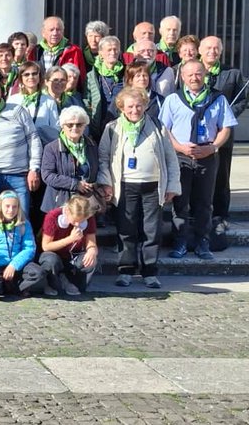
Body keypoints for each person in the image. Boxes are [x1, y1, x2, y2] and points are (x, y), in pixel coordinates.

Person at [97, 87, 180, 287]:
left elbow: (170, 157)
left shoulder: (157, 126)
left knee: (151, 230)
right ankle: (126, 270)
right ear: (121, 108)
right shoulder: (112, 128)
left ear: (145, 106)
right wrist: (106, 182)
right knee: (126, 229)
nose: (135, 110)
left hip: (153, 185)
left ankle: (149, 271)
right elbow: (103, 157)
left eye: (139, 105)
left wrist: (172, 185)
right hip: (126, 185)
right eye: (130, 106)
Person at [161, 60, 236, 260]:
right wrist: (180, 147)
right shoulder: (173, 99)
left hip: (207, 156)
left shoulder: (217, 99)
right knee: (180, 202)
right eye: (190, 74)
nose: (194, 78)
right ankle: (181, 241)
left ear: (205, 75)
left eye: (198, 74)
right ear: (182, 77)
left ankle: (203, 241)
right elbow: (165, 129)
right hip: (181, 157)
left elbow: (226, 127)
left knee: (204, 202)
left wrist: (213, 147)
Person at [0, 75, 41, 222]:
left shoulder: (17, 111)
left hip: (18, 175)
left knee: (22, 218)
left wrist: (34, 169)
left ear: (1, 92)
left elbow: (34, 139)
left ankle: (24, 245)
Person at [198, 36, 247, 227]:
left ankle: (220, 214)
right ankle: (197, 212)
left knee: (221, 174)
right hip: (197, 132)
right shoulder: (191, 70)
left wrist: (225, 115)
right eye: (208, 47)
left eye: (216, 48)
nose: (212, 51)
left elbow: (242, 100)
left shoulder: (233, 74)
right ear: (200, 50)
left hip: (222, 132)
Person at [40, 106, 99, 213]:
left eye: (79, 124)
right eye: (70, 125)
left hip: (85, 202)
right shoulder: (52, 148)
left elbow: (97, 170)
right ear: (62, 126)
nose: (75, 127)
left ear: (85, 126)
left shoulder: (92, 145)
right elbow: (47, 175)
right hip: (59, 202)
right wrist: (75, 184)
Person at [39, 195, 99, 296]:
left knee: (90, 260)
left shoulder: (89, 218)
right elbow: (46, 246)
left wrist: (92, 250)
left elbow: (91, 242)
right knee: (50, 261)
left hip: (73, 254)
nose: (77, 224)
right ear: (67, 211)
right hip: (53, 254)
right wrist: (70, 239)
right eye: (75, 220)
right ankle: (52, 283)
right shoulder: (53, 216)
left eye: (81, 221)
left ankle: (72, 282)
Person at [26, 16, 86, 88]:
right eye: (51, 30)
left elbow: (81, 78)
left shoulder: (74, 51)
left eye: (58, 30)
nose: (55, 33)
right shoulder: (36, 51)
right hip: (40, 93)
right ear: (43, 33)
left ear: (63, 32)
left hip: (64, 95)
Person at [85, 35, 125, 141]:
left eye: (116, 49)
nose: (113, 52)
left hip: (121, 122)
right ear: (101, 53)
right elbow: (86, 100)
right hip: (98, 123)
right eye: (109, 49)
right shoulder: (92, 75)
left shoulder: (126, 73)